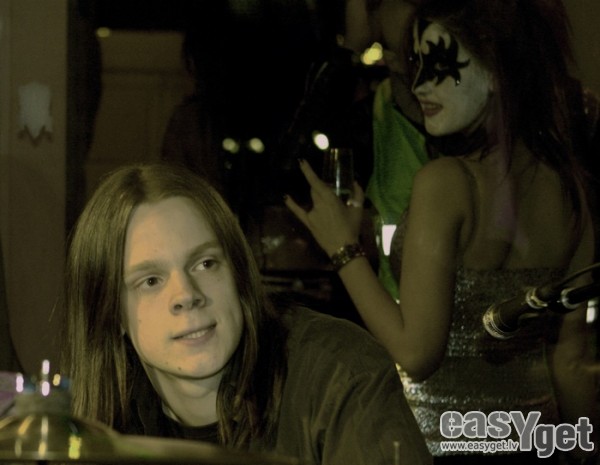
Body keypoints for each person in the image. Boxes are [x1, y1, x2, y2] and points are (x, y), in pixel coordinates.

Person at [285, 0, 598, 462]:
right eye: (417, 63)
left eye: (439, 64)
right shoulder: (572, 190)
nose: (419, 85)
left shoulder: (446, 183)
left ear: (497, 71)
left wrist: (343, 249)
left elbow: (415, 354)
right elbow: (571, 361)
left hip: (439, 447)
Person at [58, 163, 432, 465]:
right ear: (112, 313)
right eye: (151, 280)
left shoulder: (341, 373)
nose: (186, 295)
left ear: (237, 273)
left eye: (205, 263)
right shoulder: (103, 423)